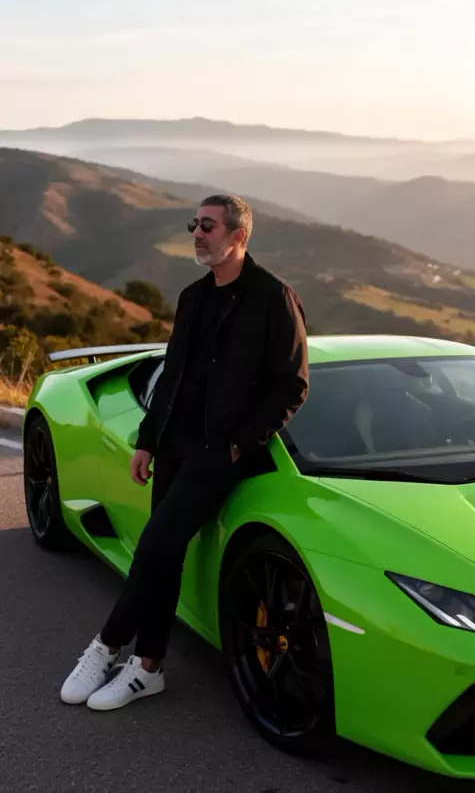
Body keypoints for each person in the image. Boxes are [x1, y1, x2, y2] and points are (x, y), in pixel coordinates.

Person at [60, 193, 309, 711]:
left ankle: (106, 646)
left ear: (239, 235)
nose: (197, 233)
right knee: (164, 555)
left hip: (221, 452)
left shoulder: (273, 297)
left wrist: (240, 444)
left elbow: (291, 386)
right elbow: (173, 376)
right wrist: (148, 440)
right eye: (195, 224)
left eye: (209, 226)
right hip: (175, 443)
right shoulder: (194, 296)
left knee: (153, 546)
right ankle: (148, 667)